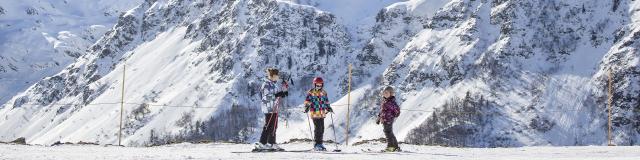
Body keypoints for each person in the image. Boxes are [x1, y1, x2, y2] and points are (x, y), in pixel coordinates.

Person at [254, 68, 288, 151]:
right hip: (268, 108)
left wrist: (282, 93)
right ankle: (262, 143)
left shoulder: (274, 84)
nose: (278, 77)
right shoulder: (266, 84)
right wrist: (276, 95)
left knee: (274, 126)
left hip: (274, 107)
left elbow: (277, 94)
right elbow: (265, 98)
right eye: (277, 75)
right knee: (268, 125)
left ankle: (271, 143)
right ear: (272, 76)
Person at [303, 77, 333, 151]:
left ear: (322, 85)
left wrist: (328, 107)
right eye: (317, 85)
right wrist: (307, 106)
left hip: (322, 113)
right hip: (315, 113)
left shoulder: (324, 92)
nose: (318, 86)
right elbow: (307, 100)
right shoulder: (311, 92)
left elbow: (326, 101)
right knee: (318, 128)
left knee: (322, 128)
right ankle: (317, 144)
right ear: (314, 84)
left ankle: (320, 143)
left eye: (320, 85)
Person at [376, 86, 401, 152]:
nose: (385, 94)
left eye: (387, 93)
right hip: (384, 119)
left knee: (387, 133)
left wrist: (394, 115)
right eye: (384, 93)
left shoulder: (391, 102)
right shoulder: (385, 101)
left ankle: (390, 146)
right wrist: (379, 118)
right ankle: (395, 147)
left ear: (391, 93)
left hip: (388, 119)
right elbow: (382, 111)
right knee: (390, 133)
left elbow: (397, 110)